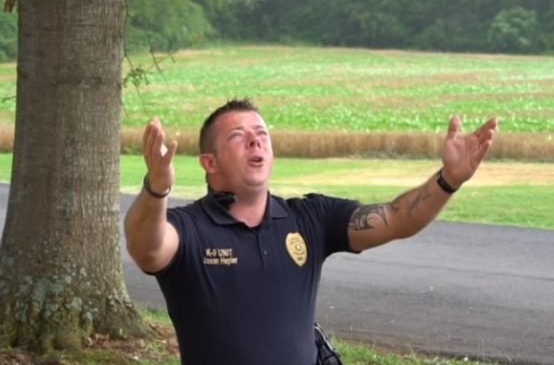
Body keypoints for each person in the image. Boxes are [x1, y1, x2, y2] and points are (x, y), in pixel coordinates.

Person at [124, 98, 497, 365]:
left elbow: (398, 218)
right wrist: (157, 187)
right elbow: (148, 248)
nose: (256, 141)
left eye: (261, 133)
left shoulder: (310, 217)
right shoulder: (190, 228)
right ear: (210, 162)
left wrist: (448, 179)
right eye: (238, 136)